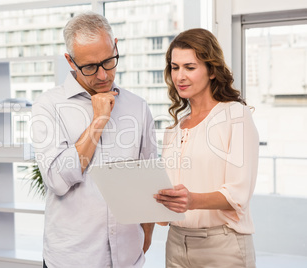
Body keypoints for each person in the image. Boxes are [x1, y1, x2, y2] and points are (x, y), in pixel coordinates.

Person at [31, 11, 157, 268]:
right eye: (89, 67)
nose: (102, 75)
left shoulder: (138, 107)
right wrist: (98, 120)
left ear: (116, 46)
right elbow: (56, 180)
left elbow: (148, 179)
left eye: (109, 61)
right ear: (70, 61)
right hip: (73, 259)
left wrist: (147, 233)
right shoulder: (48, 106)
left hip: (127, 259)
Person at [153, 28, 259, 268]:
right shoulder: (175, 129)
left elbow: (238, 194)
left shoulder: (235, 115)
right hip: (175, 244)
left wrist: (192, 200)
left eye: (190, 67)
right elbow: (170, 193)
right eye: (175, 67)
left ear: (212, 70)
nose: (180, 76)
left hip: (222, 247)